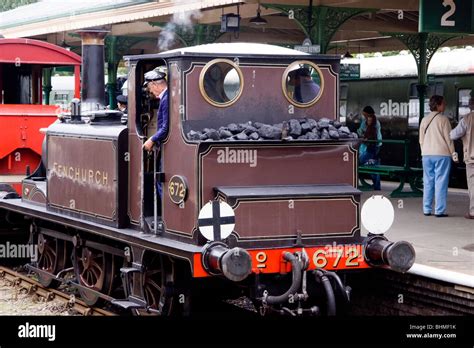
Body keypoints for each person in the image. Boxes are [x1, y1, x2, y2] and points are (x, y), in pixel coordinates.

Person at [419, 95, 455, 217]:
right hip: (442, 154)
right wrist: (453, 153)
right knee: (441, 182)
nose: (444, 106)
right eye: (443, 103)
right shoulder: (444, 120)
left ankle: (426, 209)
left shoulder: (424, 120)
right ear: (438, 105)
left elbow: (421, 140)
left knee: (428, 181)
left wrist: (424, 151)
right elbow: (449, 139)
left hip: (427, 155)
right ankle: (439, 211)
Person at [450, 95, 474, 219]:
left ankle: (473, 211)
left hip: (471, 158)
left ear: (470, 105)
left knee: (473, 186)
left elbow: (453, 135)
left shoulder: (467, 119)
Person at [143, 69, 169, 152]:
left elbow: (165, 127)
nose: (150, 91)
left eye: (149, 88)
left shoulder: (166, 98)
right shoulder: (166, 96)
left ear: (154, 84)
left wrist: (152, 139)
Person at [359, 114, 381, 190]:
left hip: (371, 151)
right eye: (368, 120)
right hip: (371, 151)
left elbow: (372, 139)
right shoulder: (369, 128)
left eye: (370, 120)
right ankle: (377, 186)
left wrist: (366, 140)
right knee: (373, 167)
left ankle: (377, 186)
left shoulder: (373, 129)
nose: (368, 122)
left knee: (360, 162)